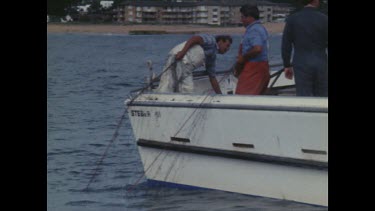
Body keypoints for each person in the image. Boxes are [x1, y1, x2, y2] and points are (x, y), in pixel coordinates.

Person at [156, 34, 232, 94]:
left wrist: (220, 96)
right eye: (227, 45)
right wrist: (182, 52)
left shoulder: (211, 57)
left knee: (169, 85)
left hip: (182, 61)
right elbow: (195, 39)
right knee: (187, 89)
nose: (227, 49)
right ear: (221, 41)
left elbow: (212, 78)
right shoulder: (211, 41)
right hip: (182, 58)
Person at [281, 0, 328, 96]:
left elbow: (286, 44)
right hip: (321, 60)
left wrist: (287, 65)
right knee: (322, 95)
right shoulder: (324, 19)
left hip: (301, 61)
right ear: (315, 1)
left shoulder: (292, 19)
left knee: (304, 95)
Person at [234, 4, 270, 95]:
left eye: (243, 17)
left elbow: (257, 49)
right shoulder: (260, 28)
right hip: (261, 67)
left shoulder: (254, 30)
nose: (241, 20)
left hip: (254, 68)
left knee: (242, 96)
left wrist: (243, 58)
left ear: (250, 17)